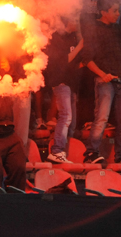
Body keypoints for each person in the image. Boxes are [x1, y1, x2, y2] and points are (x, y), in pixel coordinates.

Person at [83, 0, 121, 164]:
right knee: (101, 118)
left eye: (118, 10)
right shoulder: (94, 29)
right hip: (104, 80)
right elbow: (87, 59)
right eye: (114, 11)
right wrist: (102, 75)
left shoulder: (117, 29)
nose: (117, 14)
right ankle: (91, 152)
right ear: (103, 12)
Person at [44, 17, 83, 164]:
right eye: (75, 20)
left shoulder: (73, 37)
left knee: (71, 123)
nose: (78, 23)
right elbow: (63, 61)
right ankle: (56, 151)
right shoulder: (57, 38)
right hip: (60, 82)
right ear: (68, 22)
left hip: (71, 83)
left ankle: (64, 153)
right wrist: (80, 45)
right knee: (65, 116)